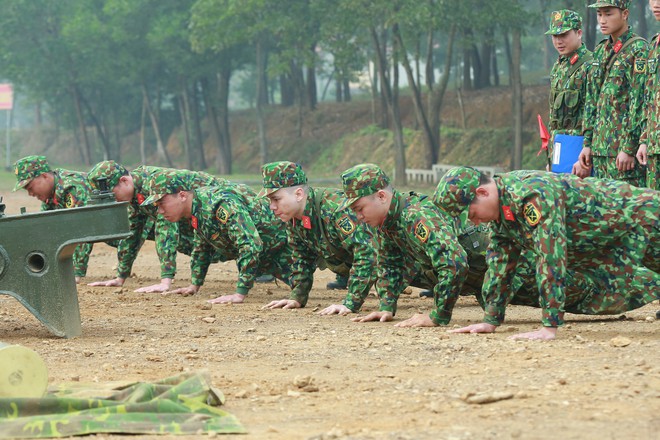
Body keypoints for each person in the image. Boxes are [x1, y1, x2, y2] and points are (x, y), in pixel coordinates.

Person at [433, 166, 659, 341]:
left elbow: (550, 256)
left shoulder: (531, 194)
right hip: (622, 234)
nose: (474, 221)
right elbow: (500, 264)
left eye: (471, 214)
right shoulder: (502, 213)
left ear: (482, 192)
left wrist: (549, 326)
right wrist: (490, 320)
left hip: (645, 216)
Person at [337, 163, 491, 327]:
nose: (358, 216)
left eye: (360, 208)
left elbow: (454, 262)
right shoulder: (386, 222)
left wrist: (437, 316)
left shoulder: (415, 215)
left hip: (510, 275)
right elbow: (390, 263)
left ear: (382, 197)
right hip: (483, 284)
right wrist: (386, 307)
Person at [141, 169, 294, 304]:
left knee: (303, 287)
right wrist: (194, 285)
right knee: (299, 288)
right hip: (269, 257)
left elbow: (250, 243)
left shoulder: (218, 203)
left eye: (162, 203)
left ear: (182, 195)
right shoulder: (197, 210)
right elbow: (202, 247)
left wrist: (239, 293)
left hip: (286, 246)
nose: (160, 211)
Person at [87, 161, 235, 293]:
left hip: (231, 200)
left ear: (124, 181)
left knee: (231, 240)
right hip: (205, 213)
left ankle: (255, 267)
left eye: (112, 194)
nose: (113, 199)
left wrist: (165, 281)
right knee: (196, 245)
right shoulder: (135, 194)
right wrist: (120, 277)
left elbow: (166, 230)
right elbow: (133, 234)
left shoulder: (156, 183)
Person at [258, 161, 376, 314]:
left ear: (299, 194)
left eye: (276, 199)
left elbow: (368, 253)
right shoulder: (294, 218)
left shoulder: (334, 208)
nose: (272, 206)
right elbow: (302, 258)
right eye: (270, 200)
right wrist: (297, 297)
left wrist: (350, 303)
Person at [580, 0, 649, 186]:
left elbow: (640, 102)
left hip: (623, 154)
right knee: (602, 211)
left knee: (627, 211)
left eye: (608, 14)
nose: (602, 20)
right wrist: (587, 144)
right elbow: (591, 100)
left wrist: (629, 147)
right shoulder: (601, 50)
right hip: (600, 150)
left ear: (624, 14)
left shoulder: (638, 49)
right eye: (599, 14)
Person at [13, 155, 93, 283]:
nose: (30, 193)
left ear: (44, 176)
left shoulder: (72, 186)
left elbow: (82, 228)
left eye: (30, 187)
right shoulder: (51, 194)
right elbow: (45, 229)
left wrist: (76, 272)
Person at [545, 9, 593, 178]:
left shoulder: (589, 65)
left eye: (564, 35)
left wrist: (587, 155)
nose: (559, 41)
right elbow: (554, 117)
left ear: (578, 33)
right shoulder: (558, 66)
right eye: (555, 36)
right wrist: (551, 156)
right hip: (560, 148)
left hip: (579, 150)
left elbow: (593, 113)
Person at [637, 0, 660, 191]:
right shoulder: (654, 45)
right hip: (654, 146)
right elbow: (649, 98)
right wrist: (644, 140)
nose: (656, 4)